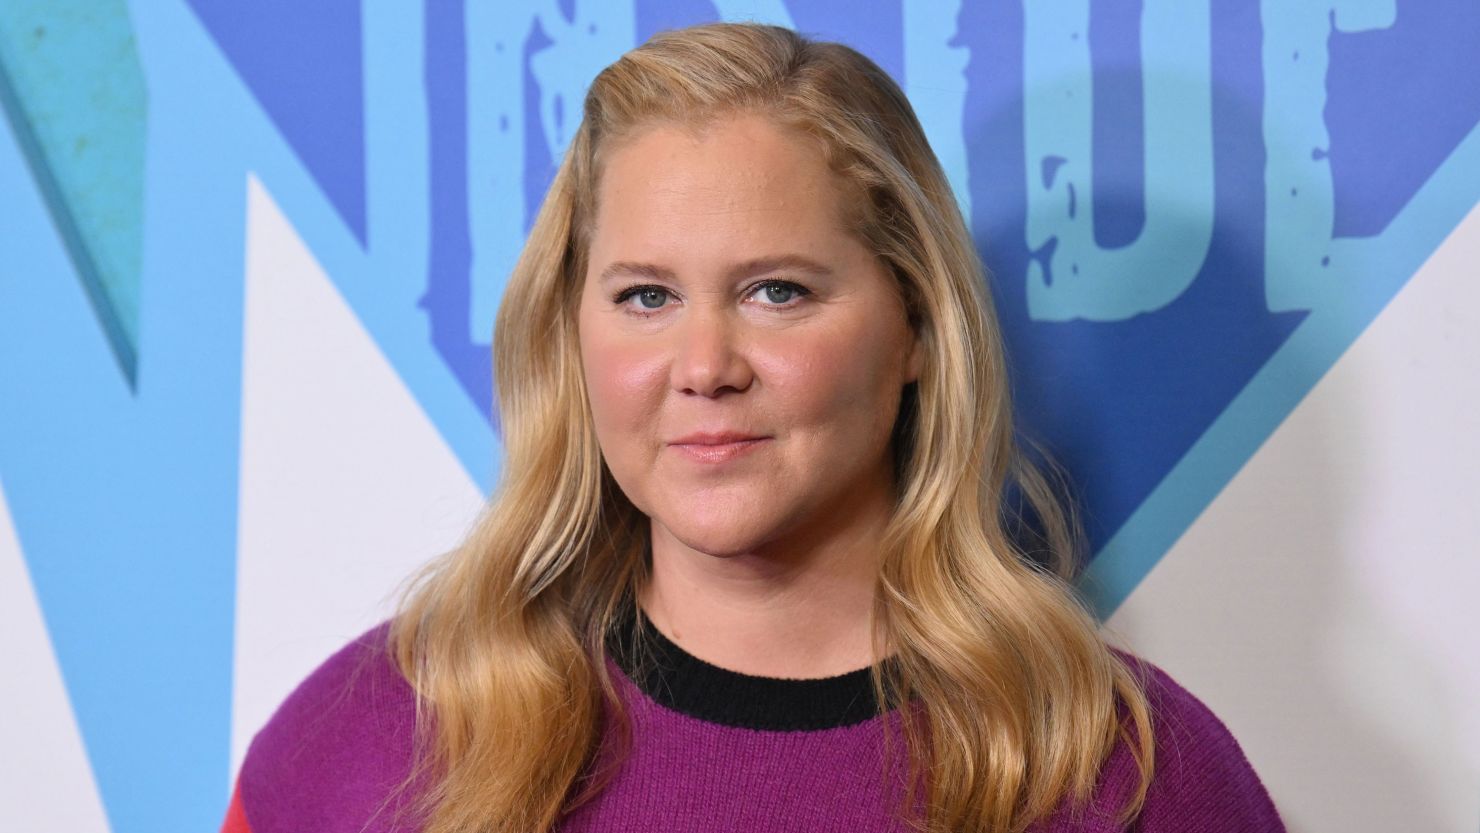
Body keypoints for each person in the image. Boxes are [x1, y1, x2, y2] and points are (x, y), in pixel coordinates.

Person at [221, 21, 1285, 833]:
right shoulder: (373, 738)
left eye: (777, 291)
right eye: (645, 296)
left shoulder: (1127, 772)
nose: (703, 368)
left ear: (916, 324)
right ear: (571, 330)